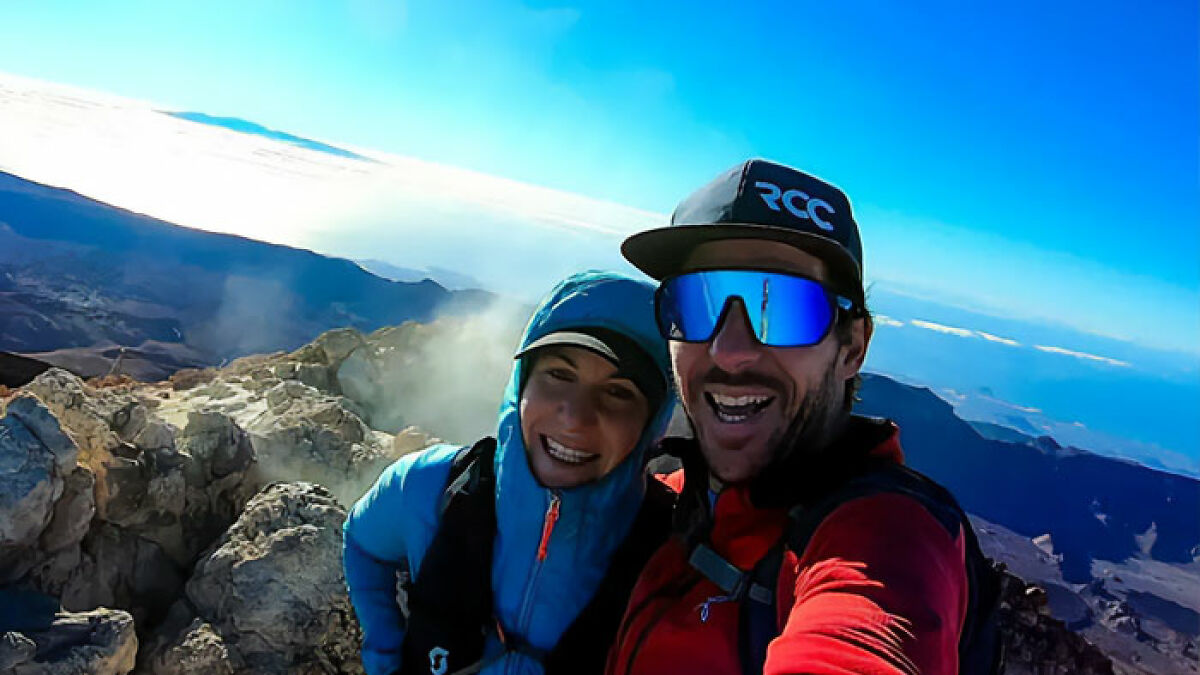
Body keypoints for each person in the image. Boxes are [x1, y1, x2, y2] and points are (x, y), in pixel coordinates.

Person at [606, 159, 990, 675]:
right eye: (697, 301)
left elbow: (862, 638)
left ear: (852, 347)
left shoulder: (889, 538)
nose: (727, 349)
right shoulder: (667, 497)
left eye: (783, 307)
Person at [343, 270, 676, 675]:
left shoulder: (673, 553)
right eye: (559, 375)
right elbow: (362, 543)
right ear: (521, 384)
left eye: (619, 392)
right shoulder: (431, 486)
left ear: (651, 424)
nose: (574, 417)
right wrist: (384, 655)